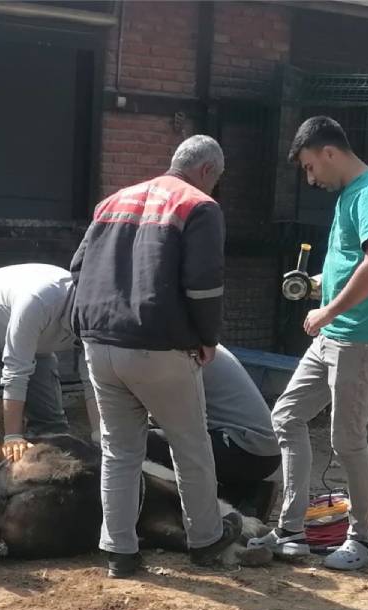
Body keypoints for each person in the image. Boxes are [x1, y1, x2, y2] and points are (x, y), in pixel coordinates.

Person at [70, 134, 242, 578]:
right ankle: (206, 539)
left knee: (119, 451)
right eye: (217, 179)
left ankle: (119, 551)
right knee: (190, 446)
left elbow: (78, 268)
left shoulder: (112, 203)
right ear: (207, 170)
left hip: (100, 343)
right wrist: (207, 337)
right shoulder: (199, 206)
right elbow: (204, 284)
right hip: (160, 346)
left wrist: (84, 327)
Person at [249, 116, 368, 571]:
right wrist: (315, 285)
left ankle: (361, 540)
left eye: (309, 166)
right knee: (286, 416)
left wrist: (328, 311)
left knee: (347, 441)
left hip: (361, 337)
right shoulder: (349, 195)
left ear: (329, 152)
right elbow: (351, 264)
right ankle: (291, 531)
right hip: (336, 335)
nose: (310, 178)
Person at [0, 263, 99, 461]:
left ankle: (44, 468)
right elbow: (16, 372)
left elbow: (94, 380)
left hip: (33, 334)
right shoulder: (38, 301)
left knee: (49, 417)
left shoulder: (99, 315)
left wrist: (100, 435)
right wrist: (13, 437)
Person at [144, 344, 280, 520]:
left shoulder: (176, 352)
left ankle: (179, 511)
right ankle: (246, 493)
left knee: (142, 443)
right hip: (258, 448)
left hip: (247, 448)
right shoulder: (188, 342)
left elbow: (173, 421)